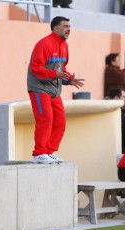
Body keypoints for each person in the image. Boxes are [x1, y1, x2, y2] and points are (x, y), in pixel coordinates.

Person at [27, 16, 84, 164]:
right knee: (45, 118)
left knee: (60, 121)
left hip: (54, 90)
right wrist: (55, 74)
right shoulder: (44, 44)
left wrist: (69, 79)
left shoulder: (64, 46)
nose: (69, 29)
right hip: (39, 88)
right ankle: (39, 153)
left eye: (69, 26)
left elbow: (61, 70)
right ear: (55, 28)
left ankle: (49, 151)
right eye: (65, 26)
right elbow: (36, 68)